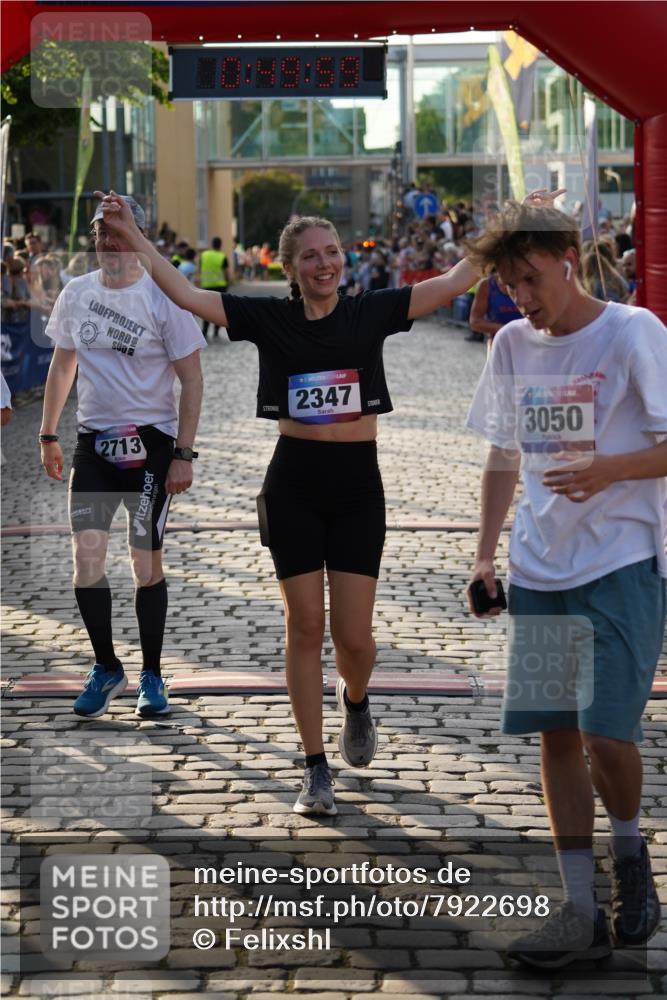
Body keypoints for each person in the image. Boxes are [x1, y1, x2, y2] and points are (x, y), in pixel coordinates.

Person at [94, 188, 492, 817]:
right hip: (294, 487)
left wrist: (516, 222)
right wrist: (135, 234)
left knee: (353, 637)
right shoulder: (269, 319)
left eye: (332, 252)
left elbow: (454, 280)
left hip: (359, 490)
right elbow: (189, 296)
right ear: (291, 268)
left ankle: (355, 702)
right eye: (310, 256)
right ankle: (314, 767)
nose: (325, 263)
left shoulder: (370, 312)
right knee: (305, 625)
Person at [464, 198, 667, 968]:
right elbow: (501, 458)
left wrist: (611, 468)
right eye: (510, 286)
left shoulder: (631, 333)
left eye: (529, 279)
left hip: (619, 565)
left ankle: (629, 851)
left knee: (605, 736)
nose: (522, 297)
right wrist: (485, 558)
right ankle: (578, 911)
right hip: (539, 568)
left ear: (565, 262)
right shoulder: (514, 343)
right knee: (554, 735)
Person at [39, 195, 206, 720]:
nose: (110, 241)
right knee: (86, 559)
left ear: (137, 233)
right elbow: (63, 367)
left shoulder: (163, 296)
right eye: (102, 232)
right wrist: (47, 434)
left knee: (142, 561)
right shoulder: (77, 293)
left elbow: (192, 378)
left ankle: (153, 673)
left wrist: (183, 453)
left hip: (152, 448)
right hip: (94, 445)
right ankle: (107, 665)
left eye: (119, 230)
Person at [468, 271, 522, 348]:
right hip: (498, 346)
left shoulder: (530, 282)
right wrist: (508, 330)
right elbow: (475, 322)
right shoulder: (487, 285)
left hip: (530, 346)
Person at [199, 237, 228, 340]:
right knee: (219, 309)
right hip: (220, 286)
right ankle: (216, 331)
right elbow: (226, 273)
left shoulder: (204, 255)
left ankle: (204, 331)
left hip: (207, 286)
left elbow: (200, 268)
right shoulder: (222, 257)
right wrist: (227, 283)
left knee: (206, 310)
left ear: (212, 244)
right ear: (220, 245)